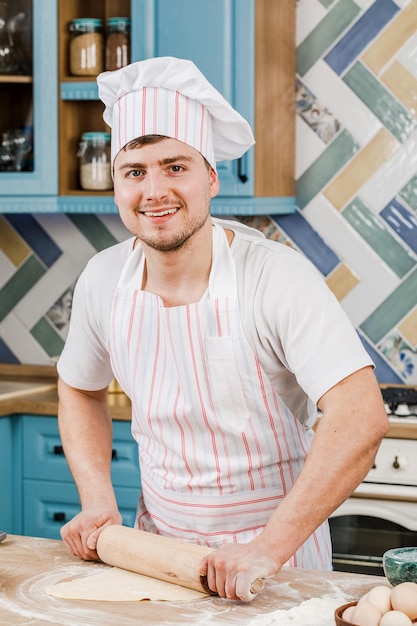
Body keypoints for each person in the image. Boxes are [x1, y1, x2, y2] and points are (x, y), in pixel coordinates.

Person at [57, 56, 389, 602]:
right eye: (134, 171)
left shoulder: (275, 278)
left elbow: (360, 419)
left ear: (211, 176)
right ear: (115, 185)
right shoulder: (102, 280)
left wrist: (266, 549)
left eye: (175, 166)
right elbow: (78, 387)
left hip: (275, 560)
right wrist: (97, 501)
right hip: (156, 557)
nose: (154, 190)